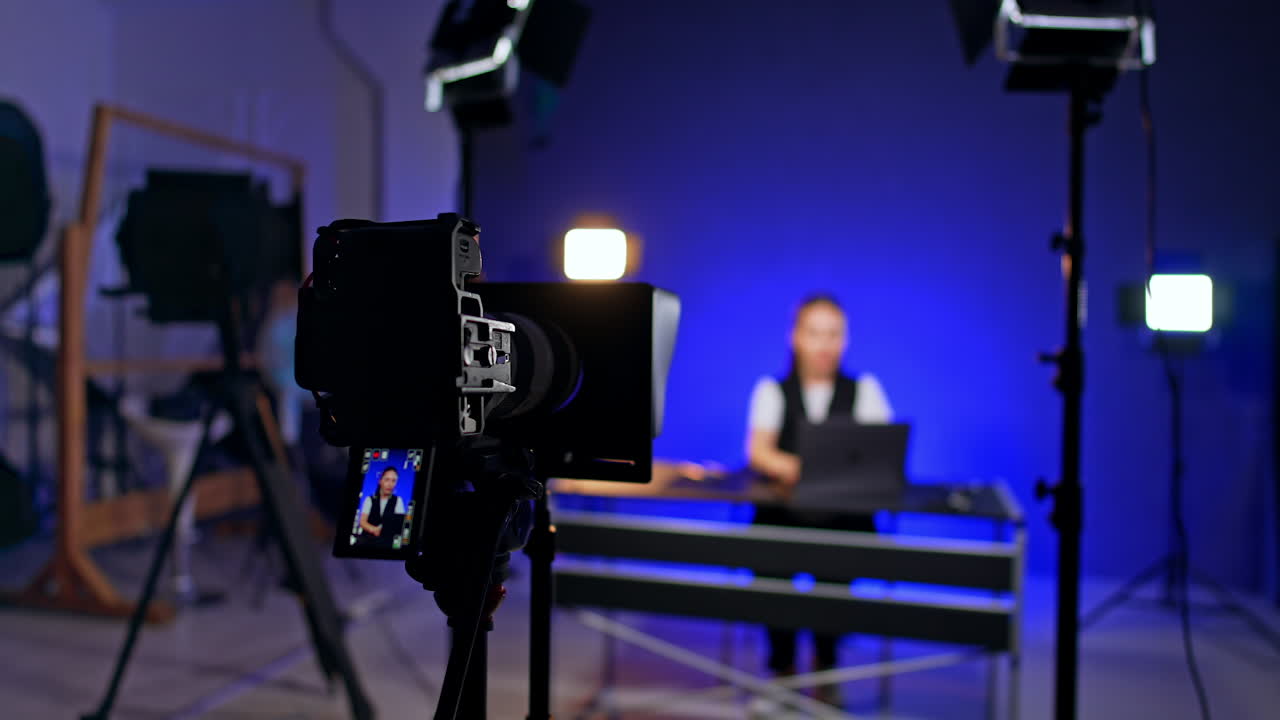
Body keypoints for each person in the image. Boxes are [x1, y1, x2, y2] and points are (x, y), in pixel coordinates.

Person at [745, 293, 893, 703]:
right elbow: (759, 452)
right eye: (815, 333)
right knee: (774, 585)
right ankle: (781, 674)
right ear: (796, 337)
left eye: (833, 334)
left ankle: (826, 675)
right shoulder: (773, 390)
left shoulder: (864, 390)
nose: (824, 344)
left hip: (841, 522)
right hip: (783, 520)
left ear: (844, 340)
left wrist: (805, 467)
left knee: (835, 589)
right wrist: (812, 469)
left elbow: (879, 454)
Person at [359, 467, 406, 547]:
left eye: (393, 481)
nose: (390, 484)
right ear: (380, 481)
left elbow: (399, 524)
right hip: (367, 541)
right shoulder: (370, 499)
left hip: (387, 542)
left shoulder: (398, 501)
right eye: (387, 480)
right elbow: (362, 522)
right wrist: (374, 529)